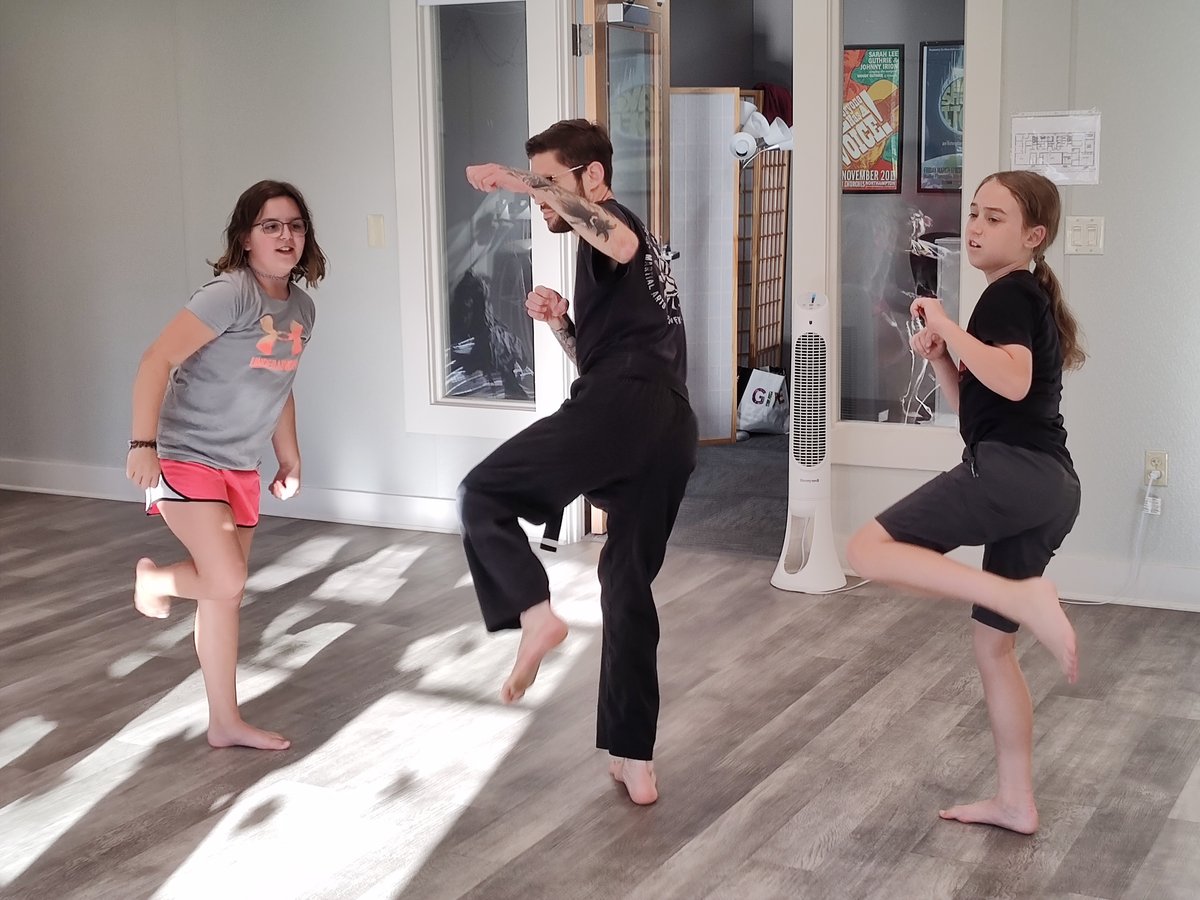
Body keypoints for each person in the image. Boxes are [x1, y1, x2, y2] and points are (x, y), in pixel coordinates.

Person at [458, 119, 697, 805]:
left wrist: (515, 177)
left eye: (553, 183)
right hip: (666, 424)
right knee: (626, 584)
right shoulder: (616, 256)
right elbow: (610, 358)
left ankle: (536, 615)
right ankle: (634, 756)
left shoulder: (617, 222)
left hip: (627, 406)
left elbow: (614, 239)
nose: (541, 200)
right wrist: (564, 323)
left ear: (592, 177)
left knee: (483, 496)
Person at [847, 170, 1086, 834]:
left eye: (995, 218)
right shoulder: (1024, 297)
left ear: (1033, 237)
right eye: (974, 214)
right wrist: (945, 361)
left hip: (1015, 474)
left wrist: (950, 324)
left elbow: (1011, 381)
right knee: (993, 649)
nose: (976, 227)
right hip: (1048, 485)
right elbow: (983, 414)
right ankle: (1016, 799)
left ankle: (1022, 597)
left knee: (865, 548)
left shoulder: (1009, 293)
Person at [126, 180, 325, 751]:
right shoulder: (229, 294)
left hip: (239, 464)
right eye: (270, 226)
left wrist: (289, 456)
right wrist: (143, 444)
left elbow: (279, 384)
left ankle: (224, 721)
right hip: (187, 455)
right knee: (226, 578)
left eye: (294, 225)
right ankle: (157, 578)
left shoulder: (302, 308)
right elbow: (157, 358)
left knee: (224, 596)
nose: (285, 236)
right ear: (245, 239)